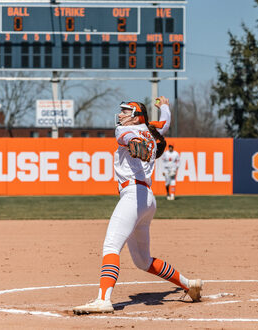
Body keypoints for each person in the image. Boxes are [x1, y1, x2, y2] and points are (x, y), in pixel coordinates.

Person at [73, 96, 202, 315]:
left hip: (133, 195)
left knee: (111, 246)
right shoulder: (152, 130)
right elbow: (166, 124)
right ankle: (189, 284)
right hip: (147, 199)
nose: (121, 115)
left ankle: (103, 299)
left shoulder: (123, 130)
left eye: (125, 112)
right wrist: (165, 108)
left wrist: (134, 142)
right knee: (143, 261)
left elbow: (127, 137)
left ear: (135, 117)